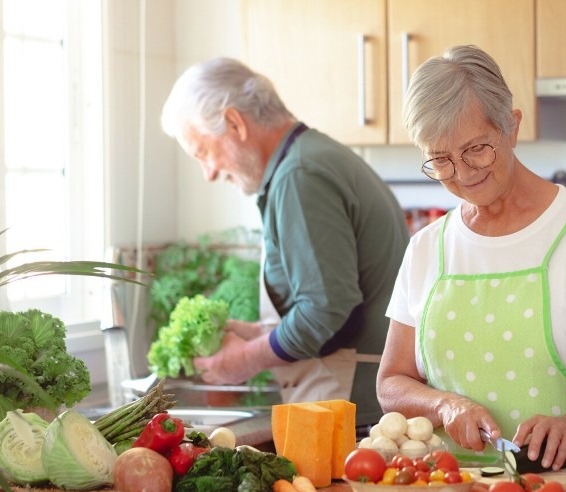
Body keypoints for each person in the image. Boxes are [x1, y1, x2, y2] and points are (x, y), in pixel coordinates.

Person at [375, 45, 566, 472]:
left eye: (476, 149)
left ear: (512, 126)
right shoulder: (426, 248)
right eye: (441, 160)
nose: (464, 173)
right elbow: (391, 383)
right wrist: (446, 405)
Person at [160, 57, 409, 429]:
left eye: (204, 153)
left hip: (353, 408)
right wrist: (259, 335)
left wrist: (244, 359)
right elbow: (330, 304)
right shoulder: (308, 161)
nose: (208, 173)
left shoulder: (300, 176)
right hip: (355, 399)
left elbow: (327, 312)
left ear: (234, 123)